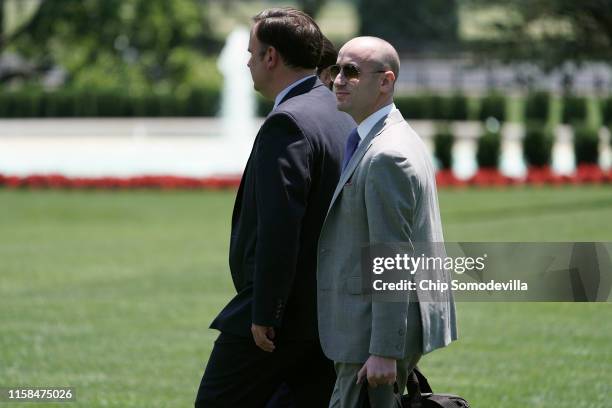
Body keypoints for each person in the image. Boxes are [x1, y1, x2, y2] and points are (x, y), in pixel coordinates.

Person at [194, 8, 356, 408]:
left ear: (271, 58)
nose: (247, 62)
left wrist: (267, 311)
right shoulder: (338, 112)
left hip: (282, 320)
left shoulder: (288, 122)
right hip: (327, 312)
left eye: (252, 53)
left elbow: (280, 228)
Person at [317, 36, 458, 407]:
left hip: (368, 340)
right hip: (368, 334)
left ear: (386, 81)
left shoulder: (386, 154)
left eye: (351, 72)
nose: (338, 80)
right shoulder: (387, 137)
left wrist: (384, 350)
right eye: (336, 70)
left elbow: (393, 258)